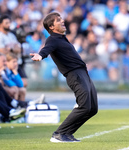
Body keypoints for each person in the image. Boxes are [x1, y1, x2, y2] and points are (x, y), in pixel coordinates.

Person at [30, 12, 98, 143]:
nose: (62, 21)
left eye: (61, 19)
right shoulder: (53, 39)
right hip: (75, 75)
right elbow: (46, 49)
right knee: (84, 106)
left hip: (83, 73)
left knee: (93, 108)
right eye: (58, 20)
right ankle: (59, 134)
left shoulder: (62, 38)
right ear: (51, 27)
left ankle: (67, 133)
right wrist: (40, 55)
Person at [0, 15, 28, 87]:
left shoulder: (12, 35)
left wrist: (10, 49)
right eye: (6, 23)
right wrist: (13, 50)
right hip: (7, 66)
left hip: (17, 62)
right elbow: (3, 51)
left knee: (23, 84)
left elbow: (19, 49)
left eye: (9, 23)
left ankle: (20, 99)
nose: (9, 25)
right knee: (16, 86)